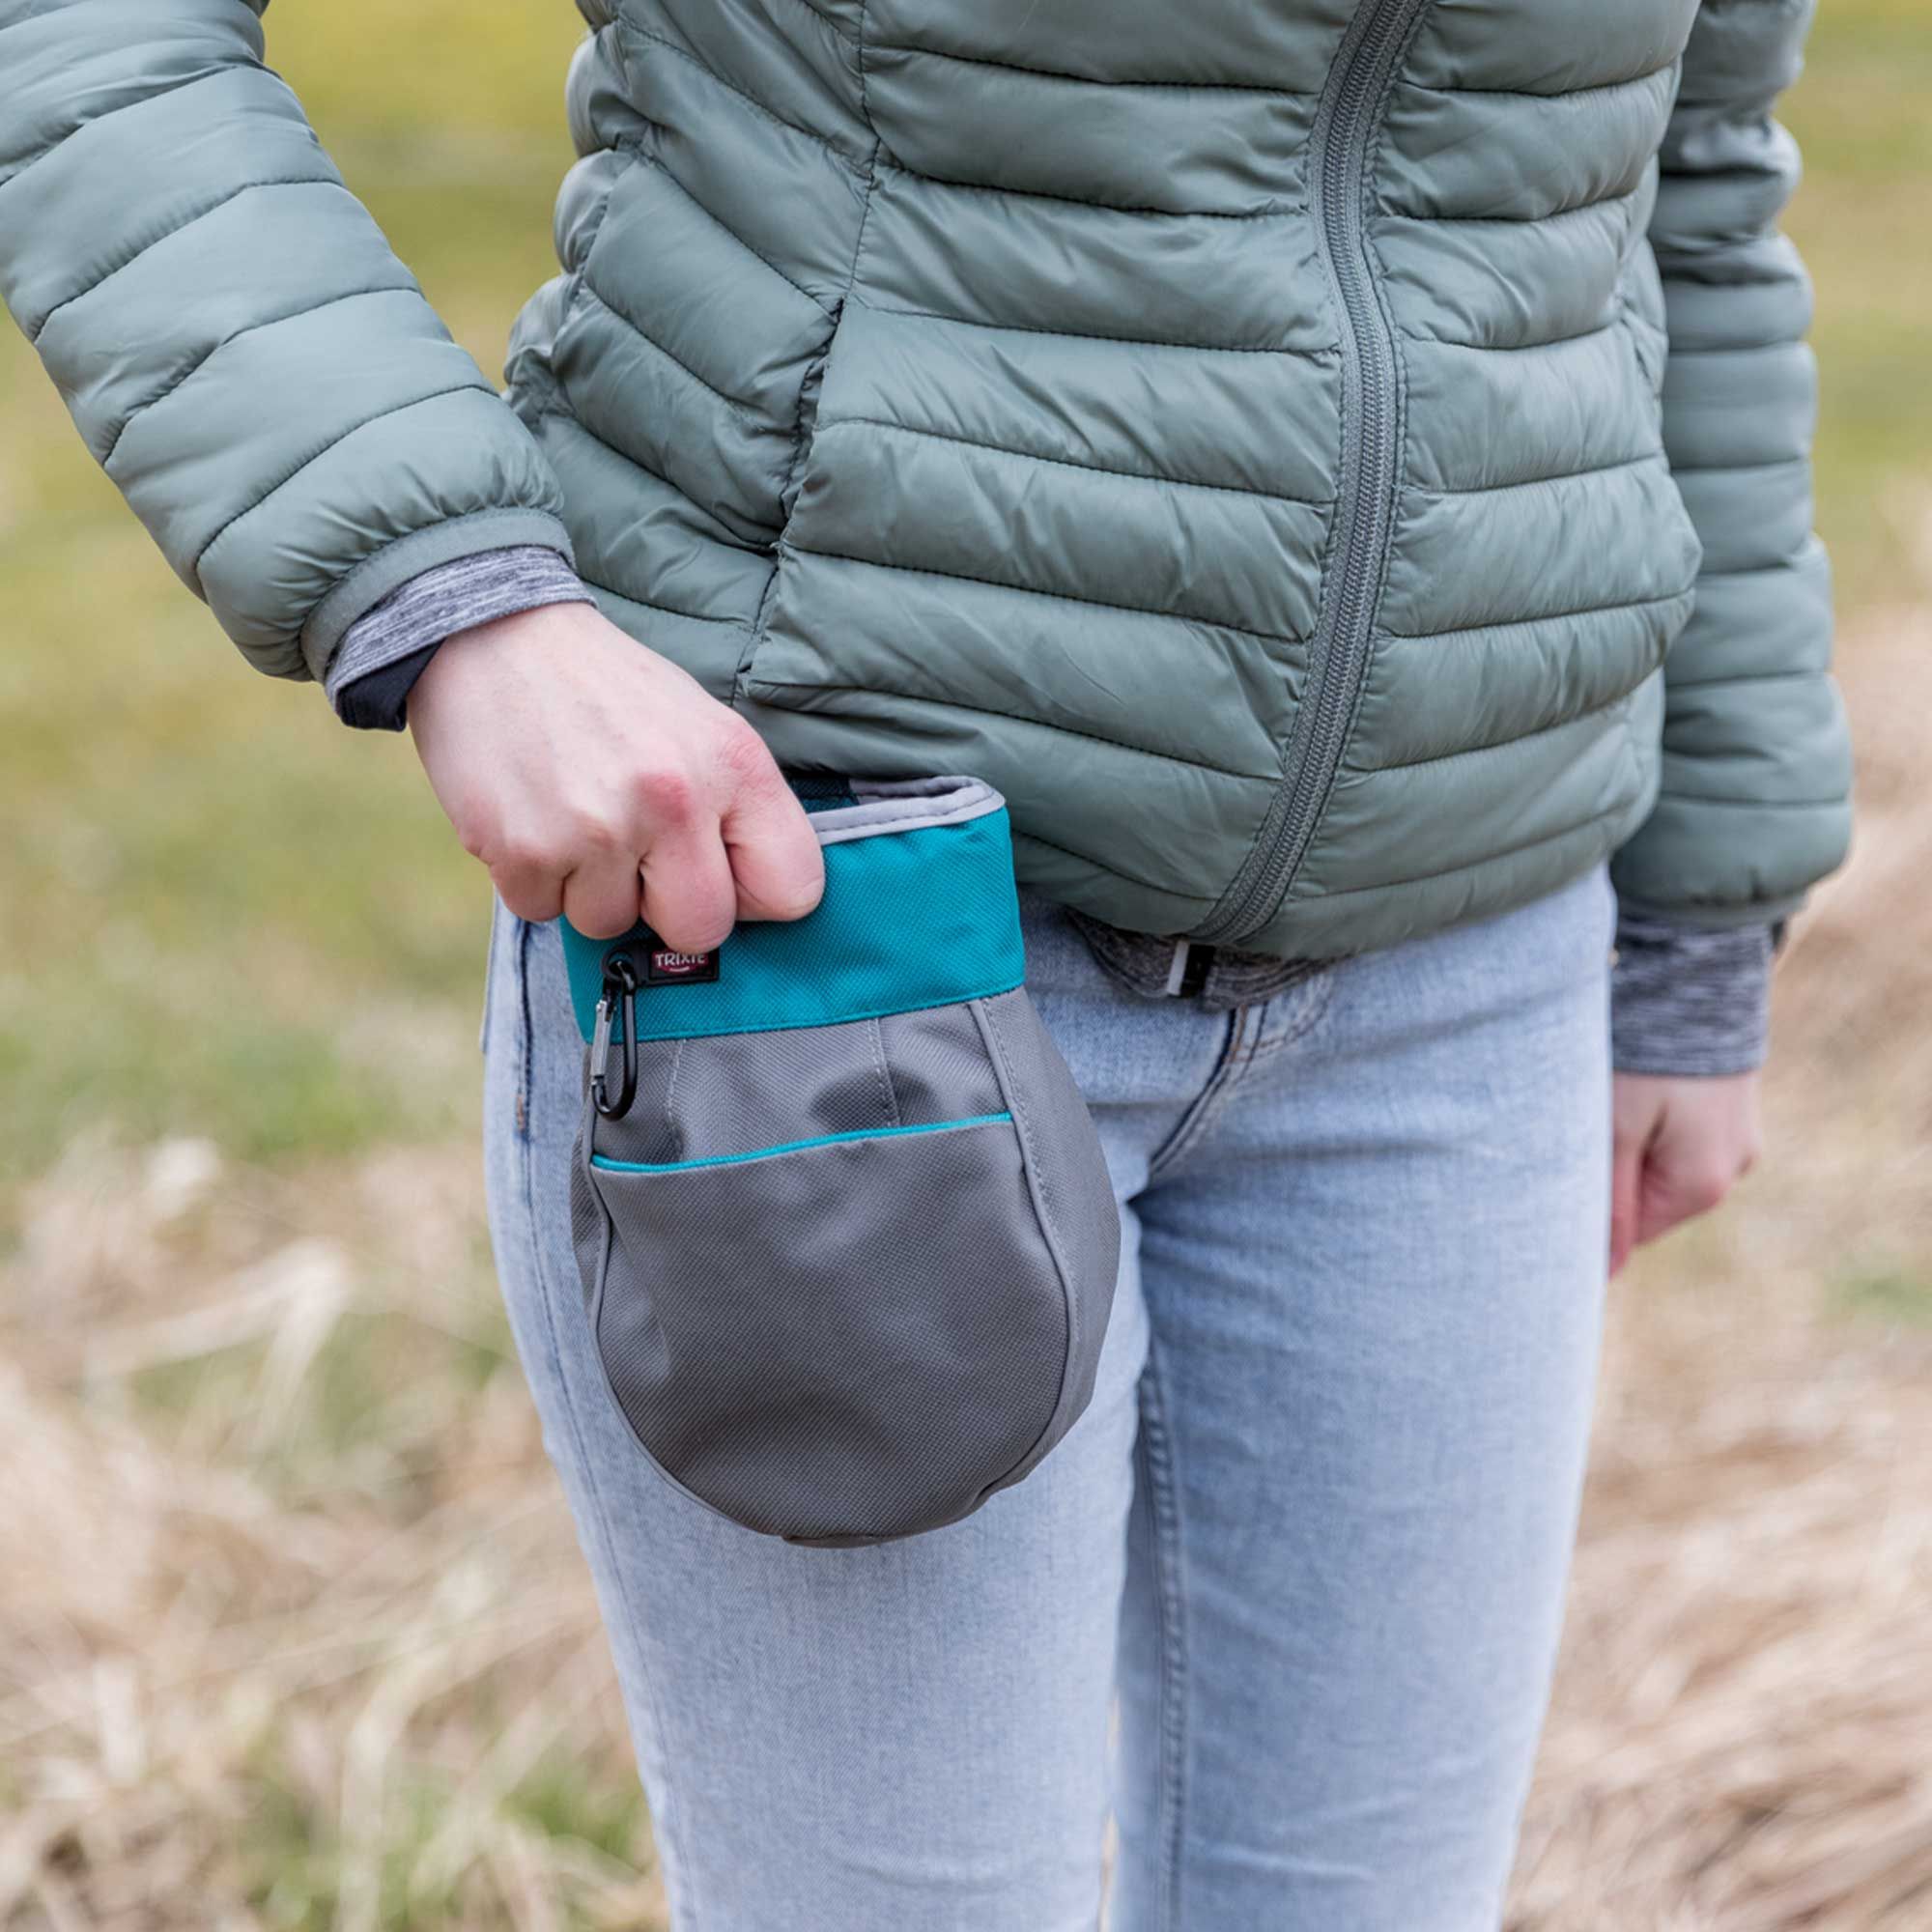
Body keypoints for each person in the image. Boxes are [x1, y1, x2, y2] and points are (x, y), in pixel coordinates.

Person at [0, 0, 1851, 1924]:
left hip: (1467, 968)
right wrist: (446, 594)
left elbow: (1683, 185)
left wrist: (1703, 915)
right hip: (826, 951)